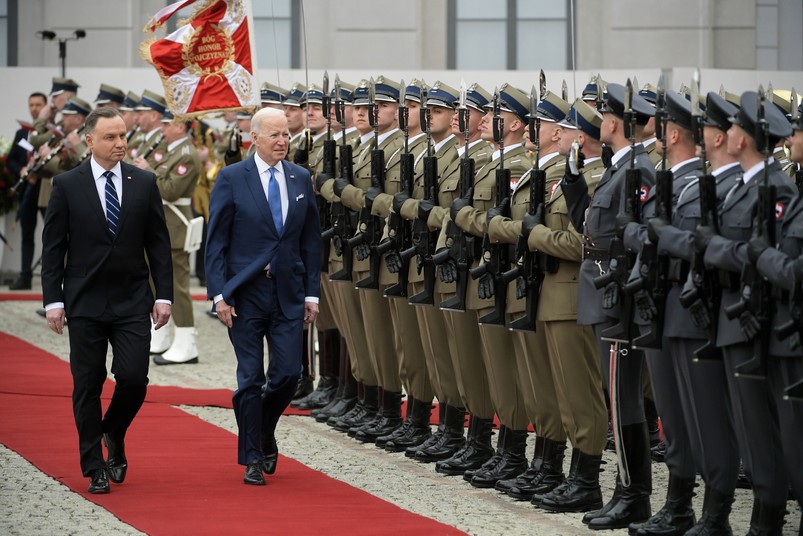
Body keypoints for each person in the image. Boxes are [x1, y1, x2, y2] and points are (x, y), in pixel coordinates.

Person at [40, 107, 173, 494]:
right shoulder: (68, 185)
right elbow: (53, 248)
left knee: (133, 379)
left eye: (123, 136)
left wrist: (164, 295)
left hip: (132, 299)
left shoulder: (144, 182)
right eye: (111, 137)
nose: (120, 144)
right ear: (90, 141)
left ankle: (113, 430)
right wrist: (53, 301)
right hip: (84, 301)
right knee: (88, 383)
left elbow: (158, 245)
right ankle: (94, 465)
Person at [205, 107, 322, 486]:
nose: (282, 141)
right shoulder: (232, 178)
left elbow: (310, 240)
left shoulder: (299, 177)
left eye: (286, 134)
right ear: (254, 138)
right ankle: (252, 456)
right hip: (245, 293)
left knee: (289, 374)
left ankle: (262, 428)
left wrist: (312, 294)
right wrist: (219, 294)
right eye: (274, 134)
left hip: (288, 291)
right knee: (250, 378)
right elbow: (216, 242)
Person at [7, 91, 48, 290]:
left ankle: (52, 278)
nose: (34, 109)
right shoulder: (22, 133)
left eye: (38, 105)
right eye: (31, 105)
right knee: (27, 234)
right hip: (27, 189)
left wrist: (39, 172)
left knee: (52, 233)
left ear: (46, 107)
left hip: (45, 189)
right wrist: (22, 170)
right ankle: (25, 277)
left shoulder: (50, 131)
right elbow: (11, 160)